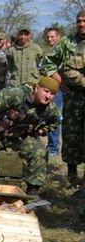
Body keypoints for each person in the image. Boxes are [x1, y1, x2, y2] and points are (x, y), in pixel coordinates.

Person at [0, 77, 60, 196]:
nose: (48, 96)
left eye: (52, 94)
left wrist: (42, 130)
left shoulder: (49, 108)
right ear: (37, 88)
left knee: (40, 152)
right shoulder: (15, 94)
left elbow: (57, 121)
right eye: (46, 91)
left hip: (20, 138)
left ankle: (32, 193)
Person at [39, 27, 74, 157]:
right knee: (51, 115)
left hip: (64, 88)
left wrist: (60, 81)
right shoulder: (50, 52)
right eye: (48, 37)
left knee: (58, 116)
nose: (50, 39)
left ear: (59, 37)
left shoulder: (66, 48)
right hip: (54, 88)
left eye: (52, 37)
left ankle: (54, 147)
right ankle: (51, 146)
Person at [60, 10, 85, 186]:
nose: (81, 24)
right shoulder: (68, 43)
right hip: (74, 97)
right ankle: (72, 175)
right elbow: (60, 66)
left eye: (84, 21)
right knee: (71, 134)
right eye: (79, 21)